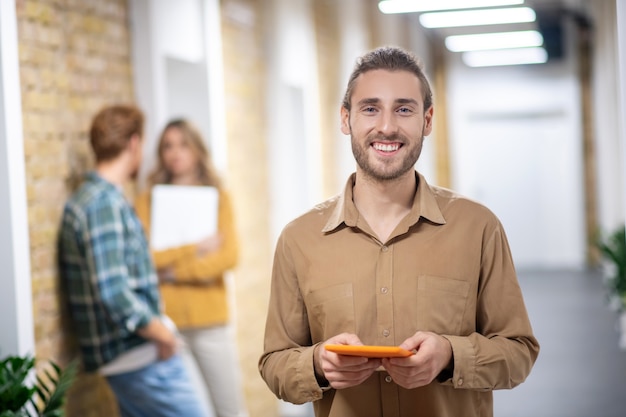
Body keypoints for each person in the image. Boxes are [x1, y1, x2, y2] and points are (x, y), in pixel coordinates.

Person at [258, 46, 540, 417]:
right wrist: (318, 364)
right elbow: (274, 363)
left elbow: (519, 352)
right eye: (370, 108)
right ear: (346, 119)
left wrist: (450, 356)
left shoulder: (478, 228)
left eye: (404, 109)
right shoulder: (299, 239)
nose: (387, 127)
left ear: (427, 120)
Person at [58, 105, 205, 417]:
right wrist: (162, 333)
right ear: (134, 144)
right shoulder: (103, 204)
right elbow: (113, 291)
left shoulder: (97, 199)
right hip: (136, 355)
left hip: (132, 355)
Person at [134, 119, 249, 417]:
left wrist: (172, 272)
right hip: (168, 327)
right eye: (168, 146)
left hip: (211, 324)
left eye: (183, 144)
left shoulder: (218, 197)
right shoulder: (147, 200)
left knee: (230, 409)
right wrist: (196, 247)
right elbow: (145, 259)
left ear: (197, 149)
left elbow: (227, 257)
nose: (175, 153)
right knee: (193, 412)